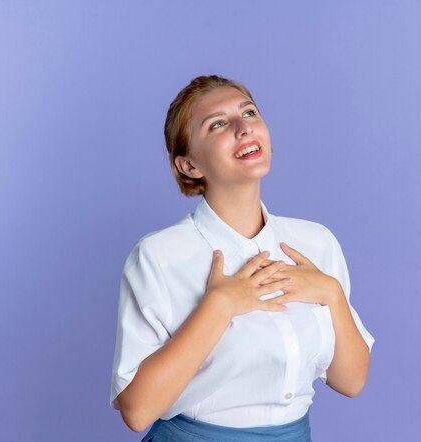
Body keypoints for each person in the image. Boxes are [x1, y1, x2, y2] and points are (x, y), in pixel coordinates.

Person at [110, 75, 375, 441]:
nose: (243, 127)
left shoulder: (316, 243)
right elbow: (137, 412)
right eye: (217, 123)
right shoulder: (160, 256)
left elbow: (351, 381)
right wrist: (219, 305)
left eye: (249, 113)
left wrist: (330, 292)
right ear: (189, 166)